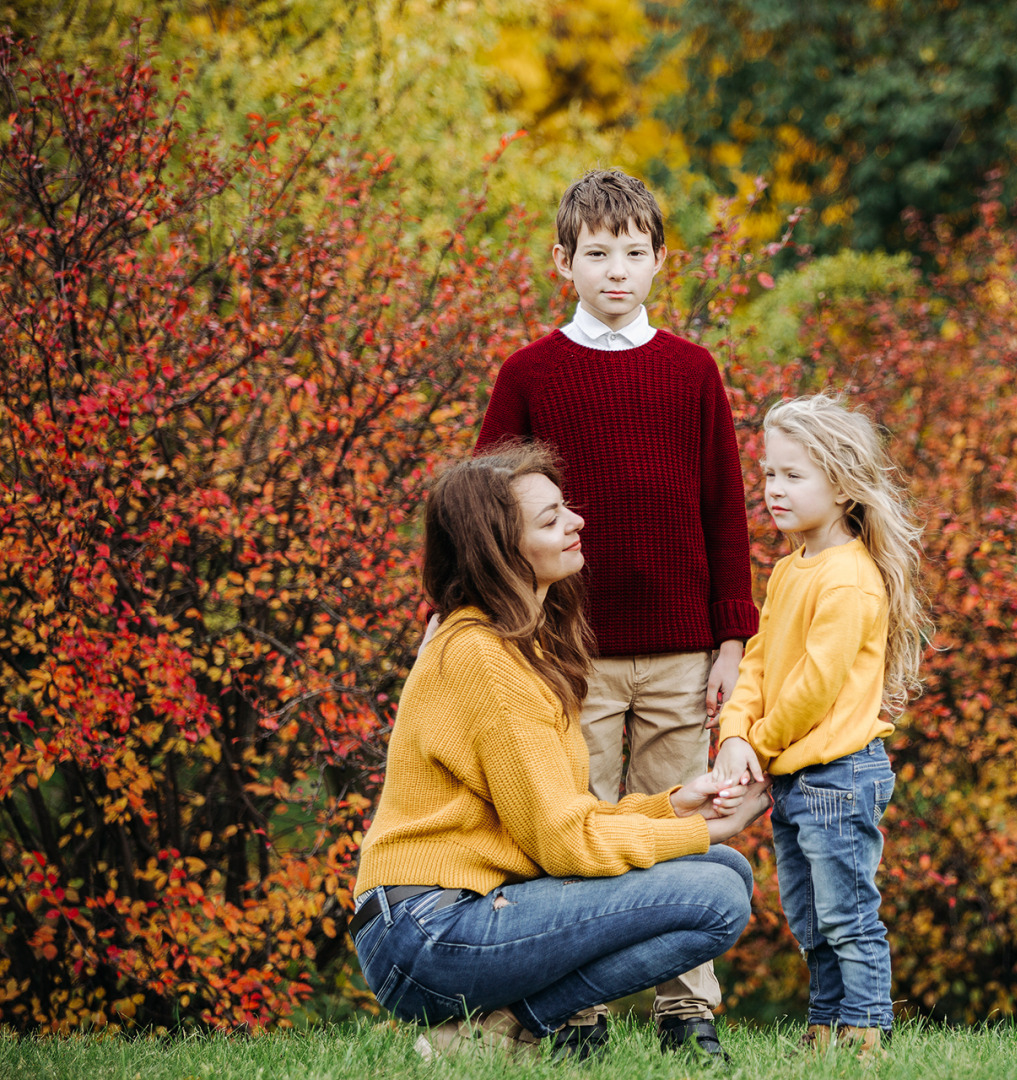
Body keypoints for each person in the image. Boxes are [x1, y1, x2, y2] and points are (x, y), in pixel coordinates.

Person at [351, 445, 769, 1064]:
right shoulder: (483, 659)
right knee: (715, 892)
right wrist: (699, 830)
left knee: (728, 874)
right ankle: (499, 1029)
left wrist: (675, 805)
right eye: (550, 520)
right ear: (500, 552)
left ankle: (490, 1034)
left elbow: (566, 819)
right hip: (424, 932)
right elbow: (564, 846)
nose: (576, 521)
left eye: (564, 507)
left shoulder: (521, 648)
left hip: (456, 914)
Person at [472, 168, 758, 1060]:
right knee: (577, 819)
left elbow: (725, 507)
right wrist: (504, 625)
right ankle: (576, 1013)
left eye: (634, 254)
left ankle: (689, 1011)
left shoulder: (691, 371)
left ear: (659, 261)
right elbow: (488, 506)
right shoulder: (529, 374)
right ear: (564, 261)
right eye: (597, 254)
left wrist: (732, 636)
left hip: (679, 648)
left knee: (684, 820)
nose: (617, 272)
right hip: (569, 650)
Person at [712, 394, 932, 1058]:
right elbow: (755, 663)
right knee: (809, 917)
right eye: (769, 474)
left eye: (793, 476)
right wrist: (733, 734)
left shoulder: (849, 579)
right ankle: (825, 1025)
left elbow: (815, 686)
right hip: (792, 771)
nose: (773, 489)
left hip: (838, 774)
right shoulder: (788, 571)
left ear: (842, 488)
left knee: (846, 913)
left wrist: (760, 743)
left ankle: (864, 1035)